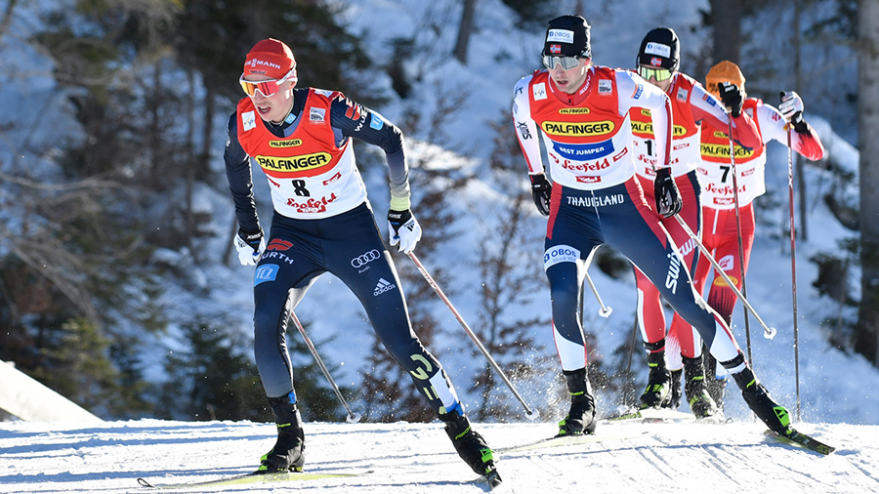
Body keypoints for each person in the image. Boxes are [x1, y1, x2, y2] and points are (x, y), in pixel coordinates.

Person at [225, 38, 499, 483]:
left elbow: (391, 139)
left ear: (291, 82)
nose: (259, 96)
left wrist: (400, 208)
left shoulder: (328, 110)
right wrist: (249, 227)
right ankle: (289, 437)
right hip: (293, 237)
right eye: (250, 85)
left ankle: (462, 431)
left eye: (269, 85)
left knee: (400, 339)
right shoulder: (243, 119)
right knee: (264, 318)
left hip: (350, 235)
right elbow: (234, 164)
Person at [512, 15, 796, 439]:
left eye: (568, 61)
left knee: (686, 301)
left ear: (586, 60)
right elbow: (521, 119)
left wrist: (664, 173)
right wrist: (537, 174)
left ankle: (752, 392)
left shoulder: (618, 85)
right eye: (551, 60)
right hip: (570, 211)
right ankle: (582, 402)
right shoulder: (530, 90)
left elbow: (661, 105)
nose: (559, 72)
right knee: (561, 295)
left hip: (625, 208)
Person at [665, 60, 825, 410]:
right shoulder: (696, 111)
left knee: (721, 313)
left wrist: (798, 120)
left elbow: (813, 152)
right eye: (714, 91)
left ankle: (713, 400)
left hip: (736, 230)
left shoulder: (758, 114)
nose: (720, 99)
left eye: (728, 91)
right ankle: (670, 388)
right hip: (699, 225)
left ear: (742, 89)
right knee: (683, 305)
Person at [630, 28, 762, 417]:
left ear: (676, 69)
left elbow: (749, 142)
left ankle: (696, 382)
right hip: (643, 197)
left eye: (661, 75)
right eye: (645, 72)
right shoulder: (629, 89)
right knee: (645, 286)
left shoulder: (688, 93)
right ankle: (658, 377)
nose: (651, 82)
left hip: (683, 201)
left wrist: (736, 112)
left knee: (679, 289)